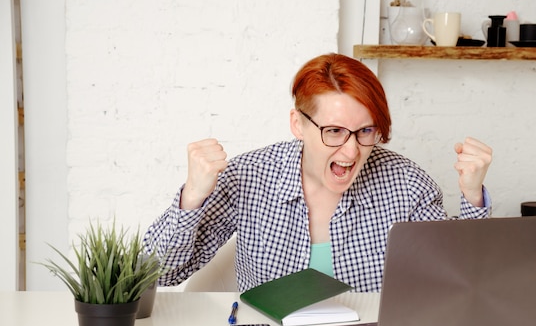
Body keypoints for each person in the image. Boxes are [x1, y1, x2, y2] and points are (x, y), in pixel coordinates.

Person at [143, 53, 492, 292]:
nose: (352, 150)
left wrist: (473, 195)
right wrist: (192, 196)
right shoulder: (248, 176)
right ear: (298, 124)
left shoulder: (407, 184)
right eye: (335, 131)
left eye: (366, 131)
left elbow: (460, 285)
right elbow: (157, 274)